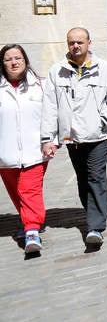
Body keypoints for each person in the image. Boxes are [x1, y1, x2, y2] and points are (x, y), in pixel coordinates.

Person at [41, 27, 107, 247]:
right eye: (71, 43)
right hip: (73, 138)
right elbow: (50, 106)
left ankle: (96, 227)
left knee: (95, 176)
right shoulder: (56, 71)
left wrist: (102, 119)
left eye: (80, 42)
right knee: (83, 179)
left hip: (99, 136)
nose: (75, 46)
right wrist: (48, 138)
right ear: (67, 44)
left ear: (89, 42)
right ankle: (92, 215)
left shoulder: (105, 68)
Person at [0, 44, 51, 254]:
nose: (14, 62)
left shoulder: (40, 85)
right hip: (5, 152)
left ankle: (31, 231)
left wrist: (51, 140)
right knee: (16, 192)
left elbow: (50, 116)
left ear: (25, 60)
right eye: (8, 59)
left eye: (18, 58)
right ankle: (27, 220)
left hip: (35, 151)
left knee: (28, 190)